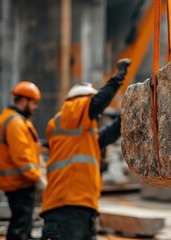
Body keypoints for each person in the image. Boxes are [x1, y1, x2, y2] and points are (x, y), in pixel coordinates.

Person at [40, 58, 131, 240]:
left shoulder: (82, 136)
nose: (96, 116)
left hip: (83, 209)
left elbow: (112, 131)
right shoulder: (66, 116)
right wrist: (117, 79)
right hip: (65, 208)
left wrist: (133, 108)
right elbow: (96, 104)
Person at [0, 81, 46, 240]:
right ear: (24, 101)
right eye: (34, 103)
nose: (35, 107)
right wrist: (37, 178)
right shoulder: (16, 123)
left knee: (20, 224)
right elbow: (22, 158)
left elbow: (28, 149)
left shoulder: (14, 119)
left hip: (17, 183)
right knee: (20, 228)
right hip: (20, 183)